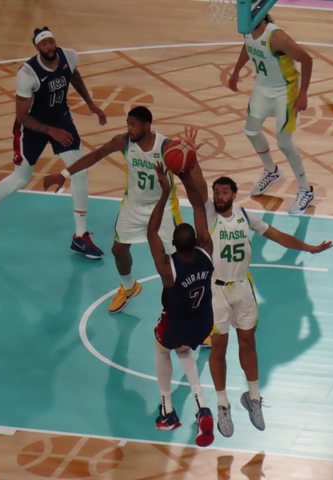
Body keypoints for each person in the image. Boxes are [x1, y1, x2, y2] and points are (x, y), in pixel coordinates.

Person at [204, 176, 333, 437]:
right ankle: (222, 405)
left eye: (225, 192)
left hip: (242, 287)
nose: (219, 196)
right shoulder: (208, 215)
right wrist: (187, 164)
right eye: (216, 192)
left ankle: (253, 398)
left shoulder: (244, 216)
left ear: (234, 194)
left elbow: (278, 236)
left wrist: (308, 248)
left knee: (248, 342)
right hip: (216, 290)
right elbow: (195, 186)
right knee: (219, 347)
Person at [0, 27, 107, 259]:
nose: (49, 47)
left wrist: (91, 104)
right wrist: (50, 131)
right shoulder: (28, 74)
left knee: (80, 171)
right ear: (37, 47)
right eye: (44, 44)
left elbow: (73, 75)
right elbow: (22, 116)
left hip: (60, 119)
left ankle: (80, 236)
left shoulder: (68, 56)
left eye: (51, 42)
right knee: (21, 178)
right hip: (32, 127)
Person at [43, 106, 183, 314]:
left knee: (176, 259)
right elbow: (97, 154)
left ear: (147, 125)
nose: (129, 128)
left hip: (163, 206)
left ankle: (184, 305)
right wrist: (64, 174)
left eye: (133, 124)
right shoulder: (124, 142)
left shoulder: (165, 147)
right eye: (127, 124)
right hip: (133, 206)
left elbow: (186, 171)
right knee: (118, 250)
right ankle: (129, 287)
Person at [147, 151, 215, 447]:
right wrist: (186, 175)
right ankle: (202, 406)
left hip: (178, 323)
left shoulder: (168, 267)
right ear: (196, 241)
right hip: (204, 322)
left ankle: (168, 410)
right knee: (184, 350)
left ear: (173, 243)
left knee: (162, 350)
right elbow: (199, 206)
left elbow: (151, 230)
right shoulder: (206, 250)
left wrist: (165, 192)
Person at [227, 13, 314, 215]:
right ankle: (271, 171)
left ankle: (305, 190)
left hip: (286, 91)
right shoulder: (248, 30)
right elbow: (248, 47)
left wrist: (303, 93)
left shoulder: (276, 37)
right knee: (250, 131)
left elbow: (307, 60)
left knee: (284, 143)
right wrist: (236, 71)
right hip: (263, 87)